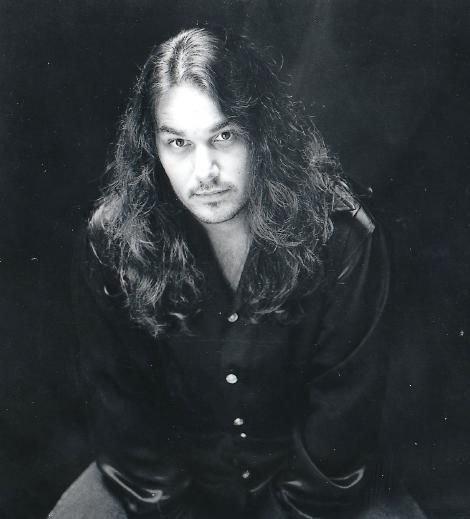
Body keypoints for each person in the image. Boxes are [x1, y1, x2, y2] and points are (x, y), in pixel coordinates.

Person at [49, 27, 425, 519]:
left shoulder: (344, 237)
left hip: (311, 486)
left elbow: (337, 443)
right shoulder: (112, 240)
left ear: (262, 131)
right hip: (168, 486)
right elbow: (127, 429)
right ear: (152, 147)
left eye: (223, 136)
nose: (204, 171)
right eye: (178, 142)